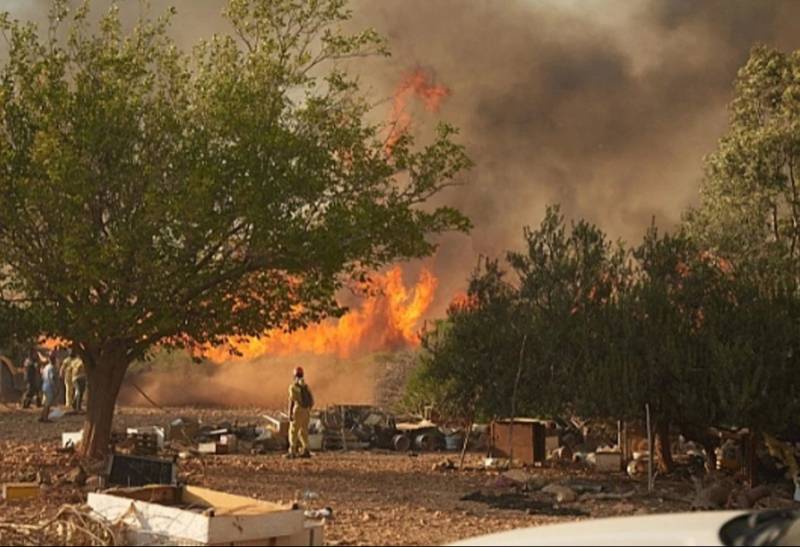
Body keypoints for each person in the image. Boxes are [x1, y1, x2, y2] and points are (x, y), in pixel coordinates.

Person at [286, 366, 314, 459]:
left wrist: (290, 413)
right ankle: (306, 450)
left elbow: (292, 401)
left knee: (293, 431)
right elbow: (312, 401)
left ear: (294, 375)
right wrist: (308, 409)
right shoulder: (306, 387)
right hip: (306, 411)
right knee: (304, 431)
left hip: (298, 410)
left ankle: (292, 451)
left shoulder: (293, 387)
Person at [39, 356, 57, 423]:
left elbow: (42, 375)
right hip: (49, 386)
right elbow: (51, 378)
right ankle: (45, 418)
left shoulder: (46, 367)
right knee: (48, 403)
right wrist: (54, 388)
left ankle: (42, 416)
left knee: (46, 402)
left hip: (44, 385)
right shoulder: (52, 368)